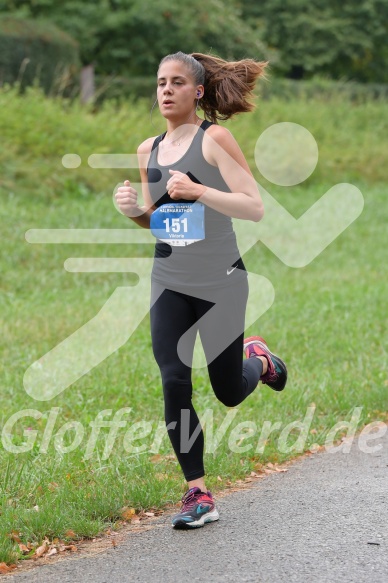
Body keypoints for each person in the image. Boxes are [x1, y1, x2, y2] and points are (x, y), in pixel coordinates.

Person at [115, 51, 287, 529]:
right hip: (169, 279)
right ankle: (198, 492)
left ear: (198, 92)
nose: (165, 90)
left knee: (229, 390)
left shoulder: (216, 140)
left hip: (221, 283)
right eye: (159, 82)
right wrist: (133, 211)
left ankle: (262, 361)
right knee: (173, 378)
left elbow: (254, 207)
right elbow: (162, 224)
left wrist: (201, 191)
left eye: (176, 82)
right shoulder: (147, 149)